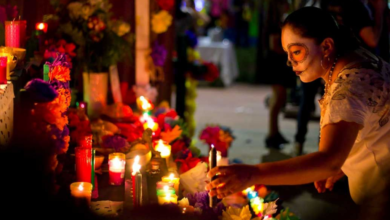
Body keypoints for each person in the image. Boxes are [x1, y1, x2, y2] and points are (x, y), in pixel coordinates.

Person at [206, 7, 390, 219]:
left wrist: (251, 174)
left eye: (297, 51)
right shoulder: (361, 60)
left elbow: (328, 161)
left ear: (327, 46)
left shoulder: (348, 89)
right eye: (287, 53)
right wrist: (348, 161)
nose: (290, 61)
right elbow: (376, 128)